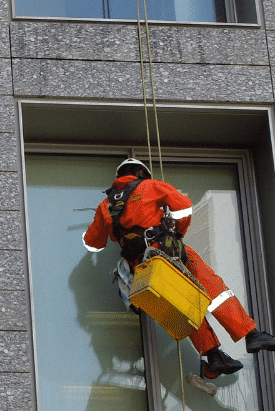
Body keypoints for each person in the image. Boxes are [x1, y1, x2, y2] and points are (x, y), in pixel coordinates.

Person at [84, 158, 275, 381]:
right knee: (215, 290)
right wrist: (177, 233)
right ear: (140, 172)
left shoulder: (105, 206)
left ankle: (213, 356)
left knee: (183, 307)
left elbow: (94, 242)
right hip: (169, 253)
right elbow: (183, 207)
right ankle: (250, 334)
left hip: (143, 270)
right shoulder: (150, 186)